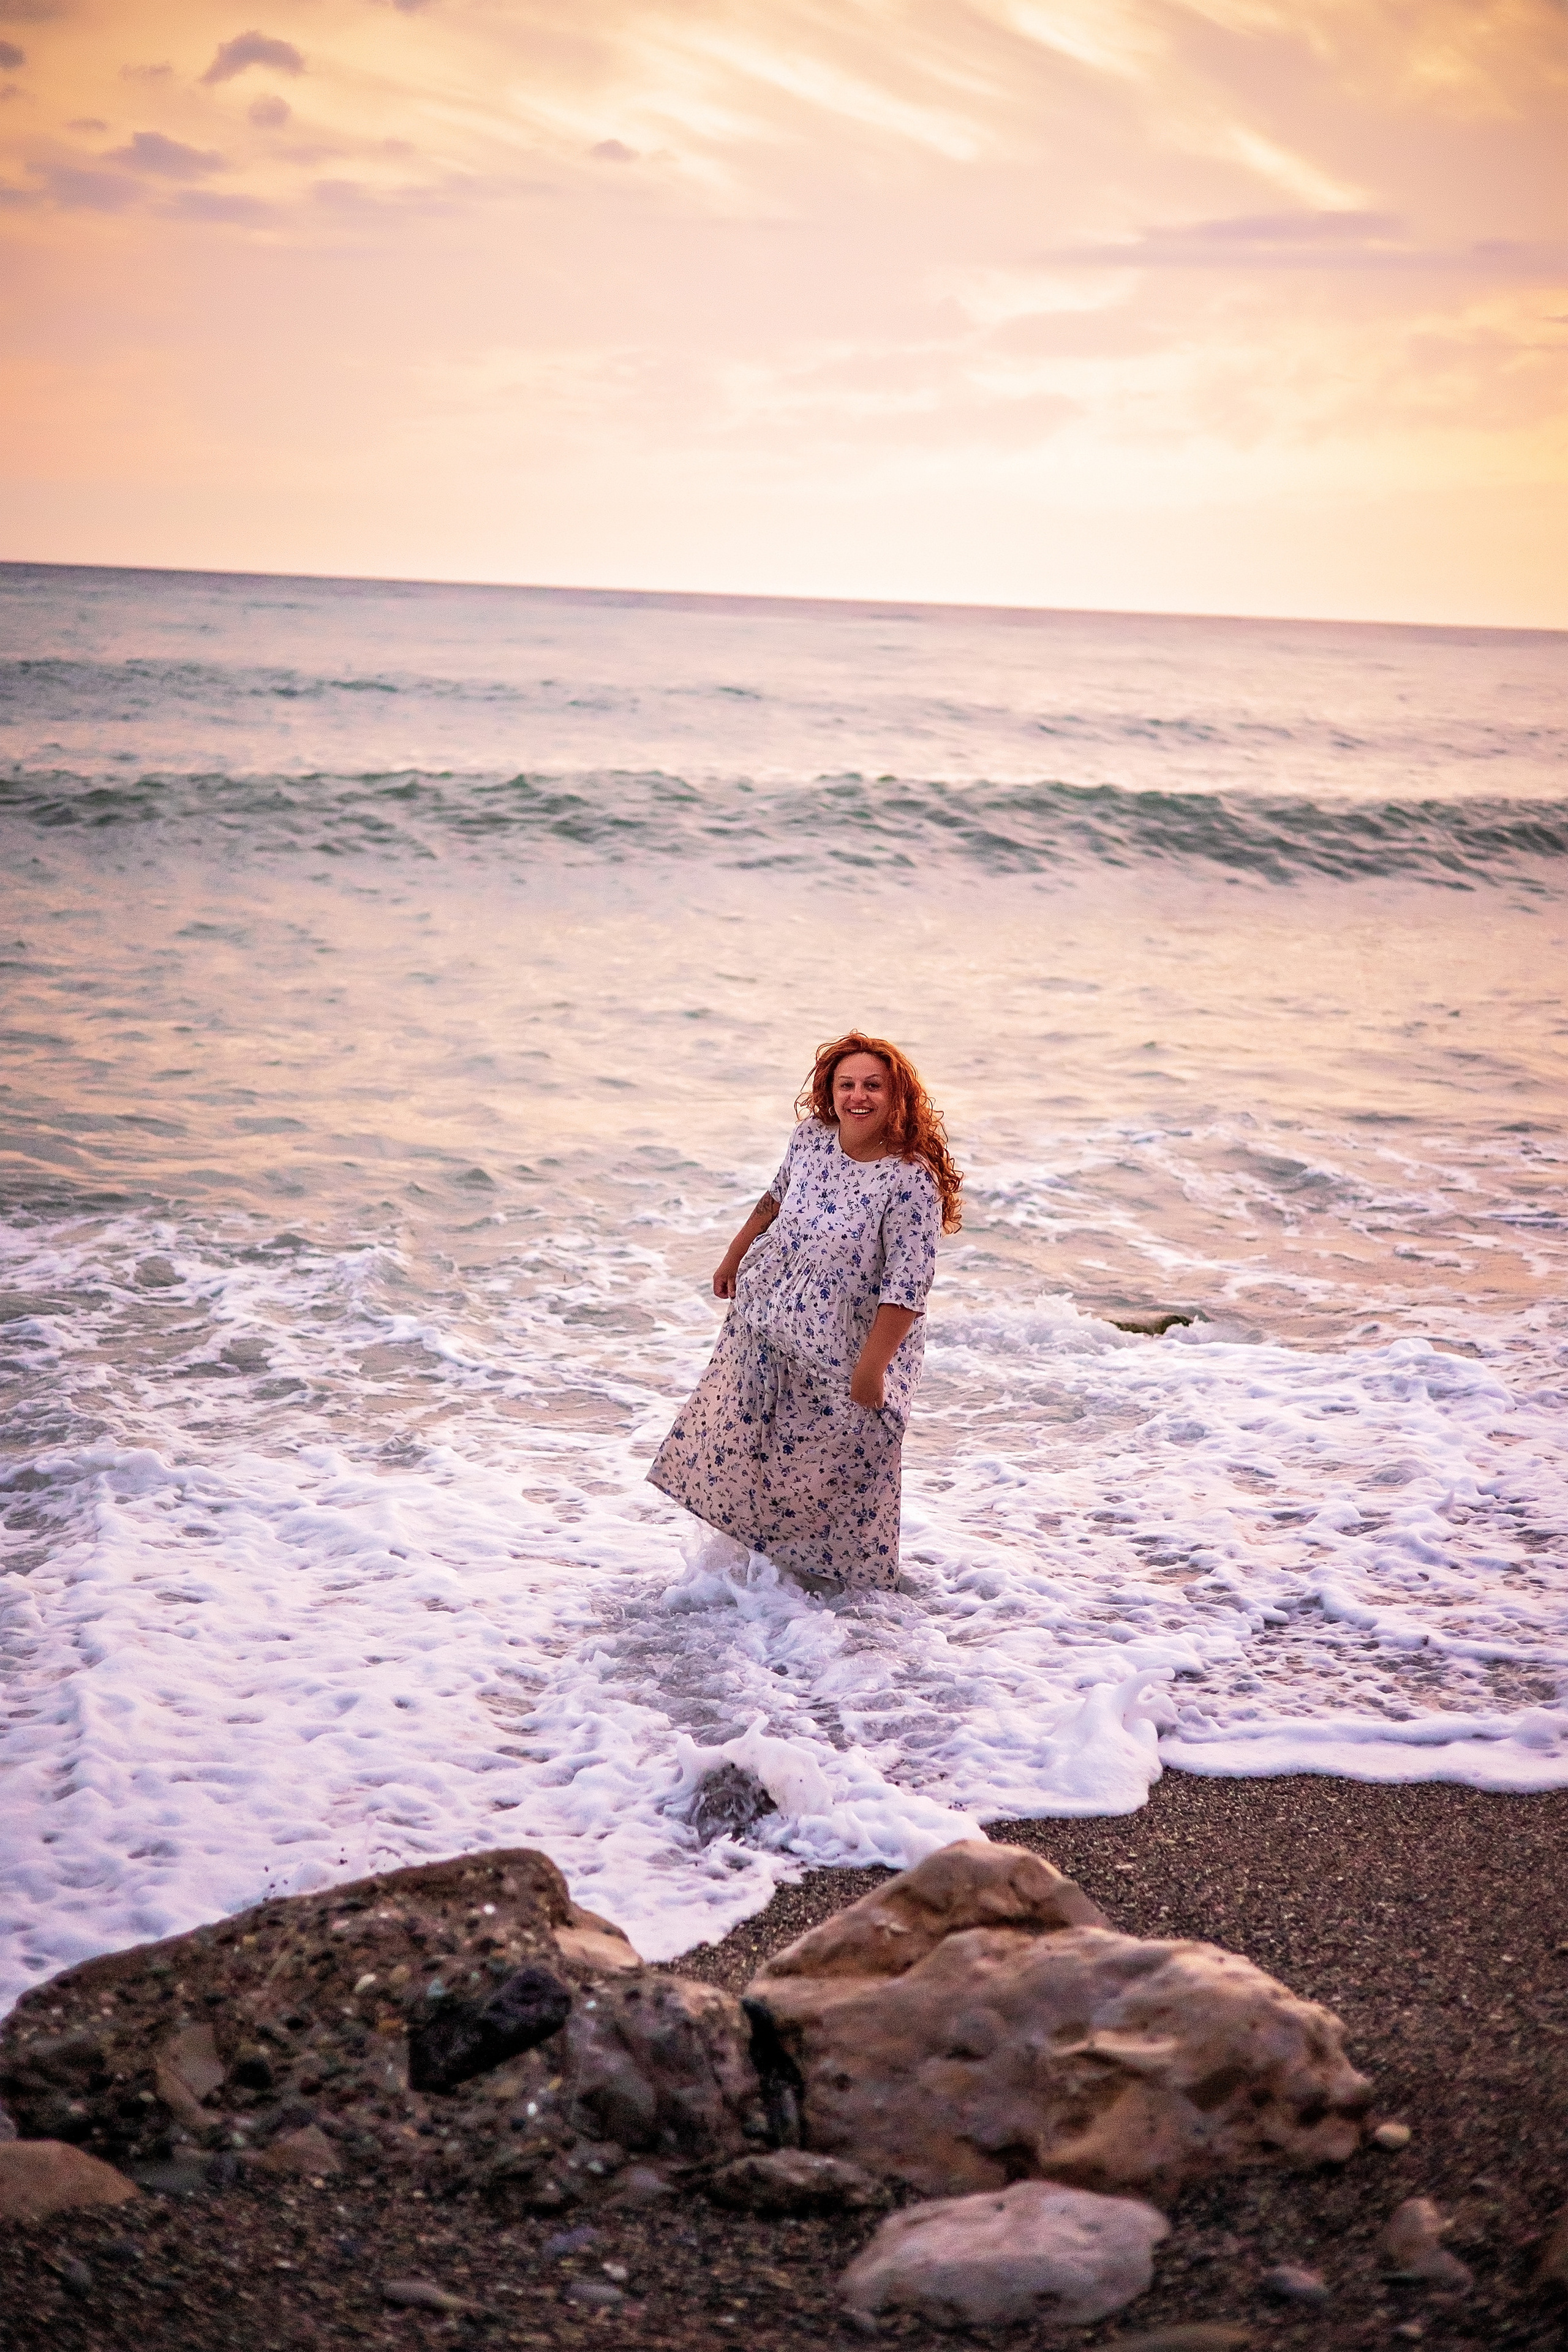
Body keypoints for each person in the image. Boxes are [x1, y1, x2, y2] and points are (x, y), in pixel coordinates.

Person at [647, 1031, 963, 1594]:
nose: (857, 1096)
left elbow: (907, 1287)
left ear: (898, 1097)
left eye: (873, 1085)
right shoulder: (811, 1139)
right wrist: (733, 1257)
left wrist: (872, 1370)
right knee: (761, 1445)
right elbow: (774, 1199)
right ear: (830, 1090)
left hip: (850, 1347)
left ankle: (842, 1596)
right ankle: (763, 1583)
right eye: (847, 1084)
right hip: (768, 1320)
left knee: (846, 1467)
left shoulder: (911, 1180)